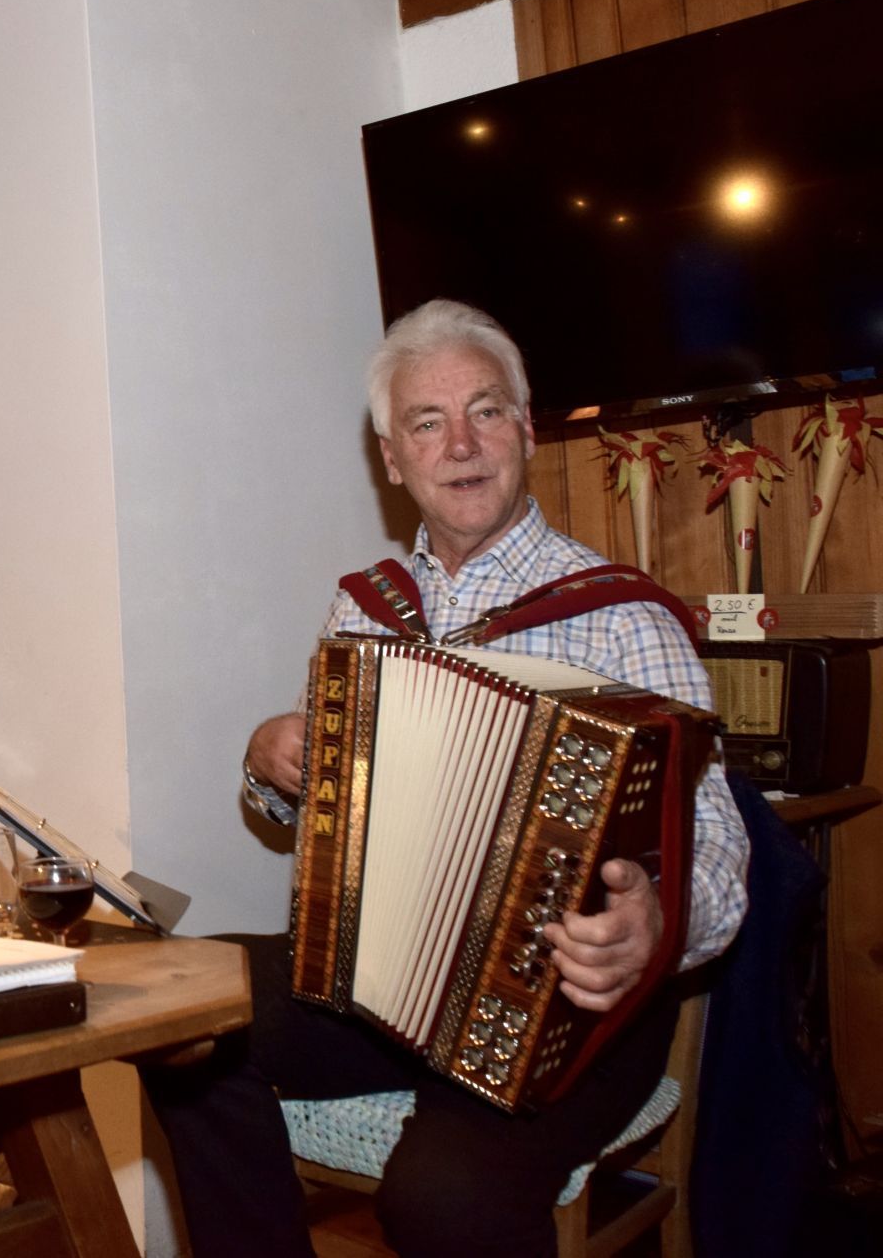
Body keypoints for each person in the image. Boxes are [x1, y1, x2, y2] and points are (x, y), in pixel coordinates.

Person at [143, 300, 749, 1258]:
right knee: (172, 1003)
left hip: (567, 1006)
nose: (461, 444)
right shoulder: (366, 605)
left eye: (487, 410)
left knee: (442, 1194)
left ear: (527, 427)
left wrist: (658, 926)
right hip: (384, 986)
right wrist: (272, 765)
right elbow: (328, 814)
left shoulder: (628, 615)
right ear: (393, 457)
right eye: (428, 422)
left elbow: (717, 837)